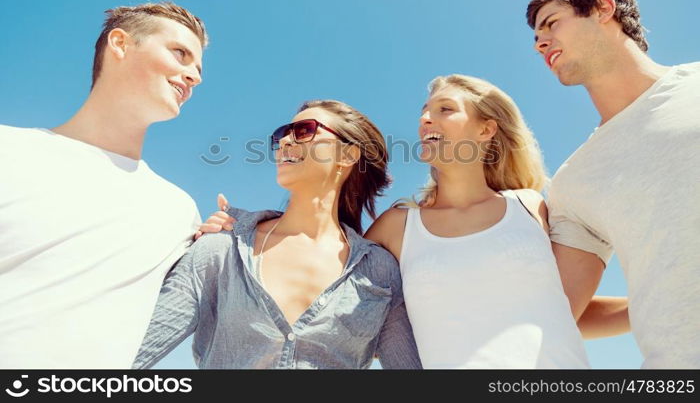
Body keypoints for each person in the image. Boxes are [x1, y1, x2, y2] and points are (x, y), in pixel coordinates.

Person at [205, 77, 627, 369]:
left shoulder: (531, 207)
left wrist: (649, 308)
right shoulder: (397, 227)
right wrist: (245, 231)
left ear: (486, 129)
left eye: (445, 109)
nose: (426, 118)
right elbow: (328, 283)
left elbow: (559, 311)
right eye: (424, 111)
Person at [133, 100, 421, 369]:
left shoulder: (379, 273)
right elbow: (128, 355)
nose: (284, 141)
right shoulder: (220, 249)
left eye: (303, 131)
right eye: (282, 134)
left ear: (347, 154)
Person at [0, 2, 208, 368]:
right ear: (120, 44)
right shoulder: (9, 149)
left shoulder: (179, 212)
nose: (194, 76)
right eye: (180, 53)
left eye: (197, 66)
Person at [527, 0, 700, 368]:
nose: (539, 43)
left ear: (604, 8)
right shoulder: (573, 181)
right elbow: (555, 312)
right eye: (537, 37)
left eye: (552, 23)